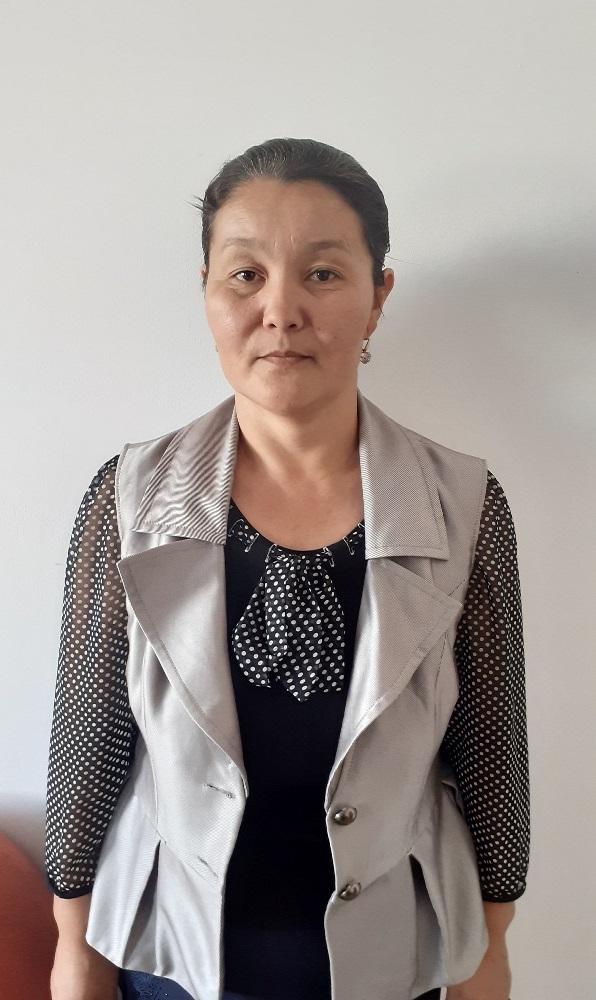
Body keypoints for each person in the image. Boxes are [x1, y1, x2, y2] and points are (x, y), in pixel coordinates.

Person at [46, 138, 529, 1000]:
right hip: (172, 960)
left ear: (378, 296)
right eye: (245, 274)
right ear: (206, 289)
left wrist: (489, 949)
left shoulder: (463, 502)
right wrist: (74, 951)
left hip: (396, 960)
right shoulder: (125, 499)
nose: (280, 310)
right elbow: (89, 746)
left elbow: (492, 752)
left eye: (322, 274)